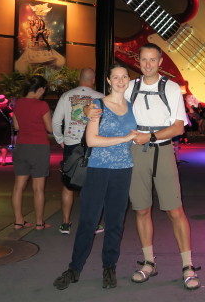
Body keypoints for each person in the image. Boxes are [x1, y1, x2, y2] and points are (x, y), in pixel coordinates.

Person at [88, 43, 201, 290]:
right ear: (137, 61)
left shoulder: (171, 88)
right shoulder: (131, 87)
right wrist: (90, 108)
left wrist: (149, 137)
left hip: (161, 151)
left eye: (153, 60)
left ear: (161, 62)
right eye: (144, 60)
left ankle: (188, 265)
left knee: (174, 210)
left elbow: (179, 127)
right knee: (141, 209)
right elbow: (109, 102)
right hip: (136, 153)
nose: (148, 64)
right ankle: (149, 261)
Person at [53, 63, 139, 291]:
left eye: (124, 77)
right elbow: (91, 140)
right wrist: (125, 138)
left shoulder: (132, 107)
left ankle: (109, 267)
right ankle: (74, 268)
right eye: (115, 77)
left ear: (127, 80)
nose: (120, 81)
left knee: (115, 223)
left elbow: (140, 134)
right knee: (88, 221)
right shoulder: (97, 105)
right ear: (108, 81)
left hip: (123, 170)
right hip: (98, 169)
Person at [52, 67, 104, 235]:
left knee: (68, 185)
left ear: (79, 78)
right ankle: (93, 224)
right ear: (93, 80)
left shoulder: (66, 96)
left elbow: (55, 121)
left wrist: (60, 139)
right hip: (93, 145)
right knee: (92, 185)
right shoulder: (101, 97)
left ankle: (66, 223)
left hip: (71, 145)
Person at [11, 76, 53, 230]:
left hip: (21, 146)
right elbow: (50, 128)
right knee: (38, 188)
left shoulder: (18, 103)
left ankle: (18, 221)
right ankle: (39, 223)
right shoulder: (42, 105)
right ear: (40, 89)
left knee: (18, 187)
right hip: (39, 148)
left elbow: (17, 126)